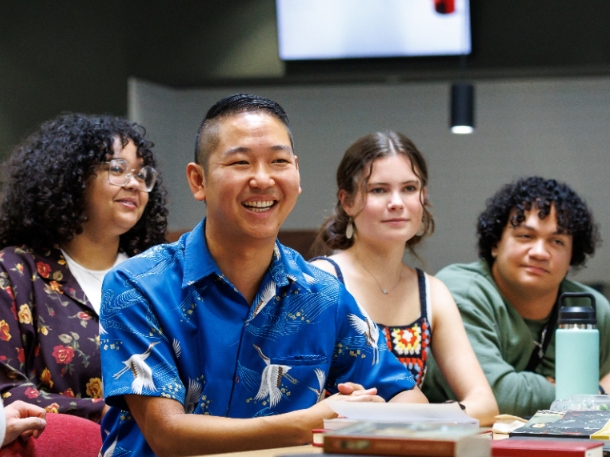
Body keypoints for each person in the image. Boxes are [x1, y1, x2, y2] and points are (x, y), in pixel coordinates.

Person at [100, 94, 427, 457]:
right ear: (198, 181)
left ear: (297, 174)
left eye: (279, 161)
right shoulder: (136, 286)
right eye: (240, 162)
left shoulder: (322, 294)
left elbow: (406, 395)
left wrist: (378, 415)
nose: (262, 178)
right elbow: (168, 435)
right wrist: (310, 423)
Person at [310, 131, 498, 426]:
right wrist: (426, 413)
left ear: (423, 196)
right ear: (346, 201)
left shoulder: (432, 293)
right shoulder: (320, 280)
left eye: (409, 188)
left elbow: (485, 404)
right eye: (378, 190)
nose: (396, 202)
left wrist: (392, 415)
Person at [0, 113, 168, 423]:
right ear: (73, 177)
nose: (134, 184)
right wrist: (112, 412)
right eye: (118, 169)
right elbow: (7, 391)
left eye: (143, 174)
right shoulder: (15, 272)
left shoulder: (161, 273)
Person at [422, 176, 610, 417]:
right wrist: (594, 395)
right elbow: (498, 396)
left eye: (557, 241)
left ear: (572, 255)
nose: (540, 252)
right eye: (525, 236)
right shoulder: (461, 290)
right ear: (495, 244)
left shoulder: (590, 307)